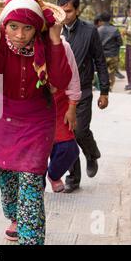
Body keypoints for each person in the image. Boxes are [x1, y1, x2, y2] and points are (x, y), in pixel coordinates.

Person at [0, 0, 72, 245]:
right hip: (2, 119)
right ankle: (15, 217)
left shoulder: (49, 45)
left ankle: (31, 239)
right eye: (13, 27)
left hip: (37, 119)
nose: (20, 35)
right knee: (7, 175)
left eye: (27, 28)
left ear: (37, 28)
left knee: (31, 178)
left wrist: (54, 41)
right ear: (4, 25)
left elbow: (62, 81)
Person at [57, 0, 109, 193]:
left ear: (77, 10)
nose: (64, 14)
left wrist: (104, 90)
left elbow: (100, 61)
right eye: (61, 10)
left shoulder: (89, 31)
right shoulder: (54, 30)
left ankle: (91, 152)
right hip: (62, 92)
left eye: (68, 11)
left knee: (79, 131)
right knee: (67, 135)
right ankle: (73, 177)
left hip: (84, 89)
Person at [47, 37, 81, 192]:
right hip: (32, 105)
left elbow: (73, 77)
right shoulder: (21, 43)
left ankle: (53, 174)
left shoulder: (64, 46)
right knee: (36, 150)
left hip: (60, 103)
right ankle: (35, 186)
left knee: (68, 147)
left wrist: (72, 106)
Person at [97, 12, 123, 92]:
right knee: (111, 72)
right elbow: (120, 43)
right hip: (113, 55)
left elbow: (95, 44)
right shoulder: (115, 29)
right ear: (110, 19)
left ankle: (103, 87)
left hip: (102, 55)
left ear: (101, 20)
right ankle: (110, 87)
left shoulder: (98, 30)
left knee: (102, 71)